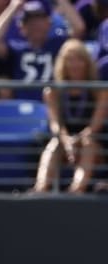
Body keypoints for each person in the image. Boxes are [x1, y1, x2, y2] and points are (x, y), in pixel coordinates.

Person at [32, 39, 108, 194]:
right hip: (65, 143)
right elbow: (56, 126)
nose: (74, 64)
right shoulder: (52, 92)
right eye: (69, 59)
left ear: (87, 63)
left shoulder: (100, 91)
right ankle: (40, 189)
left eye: (79, 59)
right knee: (54, 144)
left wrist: (77, 141)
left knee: (88, 143)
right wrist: (67, 143)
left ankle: (76, 190)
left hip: (93, 146)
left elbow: (94, 128)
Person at [0, 0, 84, 101]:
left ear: (49, 23)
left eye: (40, 19)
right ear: (22, 27)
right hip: (22, 105)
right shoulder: (16, 49)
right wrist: (13, 7)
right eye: (30, 21)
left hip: (53, 105)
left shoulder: (57, 45)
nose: (36, 25)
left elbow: (79, 28)